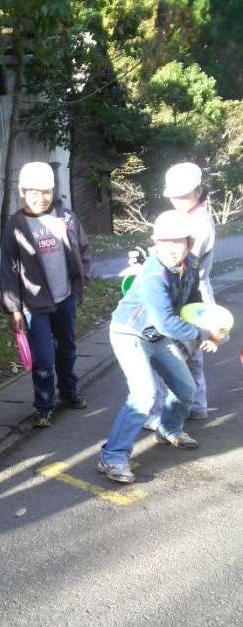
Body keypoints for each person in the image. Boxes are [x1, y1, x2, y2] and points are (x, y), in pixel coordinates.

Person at [98, 209, 223, 485]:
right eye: (165, 242)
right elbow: (166, 323)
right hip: (129, 333)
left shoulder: (190, 263)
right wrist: (203, 333)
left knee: (185, 388)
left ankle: (168, 428)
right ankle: (112, 456)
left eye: (179, 241)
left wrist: (210, 326)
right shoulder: (154, 275)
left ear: (189, 243)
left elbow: (192, 301)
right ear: (156, 242)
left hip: (155, 335)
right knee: (144, 395)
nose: (172, 248)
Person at [0, 161, 91, 427]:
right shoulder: (16, 224)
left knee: (67, 348)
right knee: (43, 359)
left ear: (53, 191)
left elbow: (83, 250)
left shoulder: (66, 218)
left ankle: (69, 392)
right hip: (33, 304)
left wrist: (80, 282)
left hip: (65, 297)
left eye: (46, 192)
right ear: (22, 192)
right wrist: (14, 308)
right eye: (34, 192)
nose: (41, 198)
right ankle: (44, 405)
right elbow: (8, 268)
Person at [129, 162, 216, 429]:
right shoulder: (189, 216)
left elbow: (179, 261)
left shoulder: (199, 222)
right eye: (174, 196)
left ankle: (167, 412)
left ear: (198, 191)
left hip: (187, 294)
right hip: (188, 292)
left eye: (184, 195)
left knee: (173, 356)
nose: (178, 201)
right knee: (189, 355)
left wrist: (149, 262)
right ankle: (196, 405)